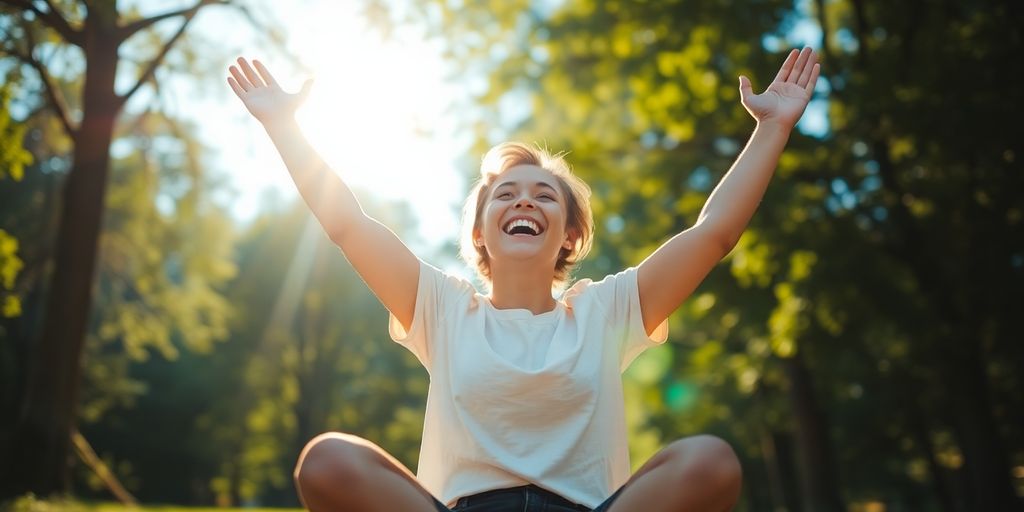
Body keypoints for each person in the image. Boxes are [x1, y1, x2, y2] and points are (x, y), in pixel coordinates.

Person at [228, 46, 820, 512]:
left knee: (710, 460)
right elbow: (347, 225)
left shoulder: (607, 311)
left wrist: (772, 128)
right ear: (481, 231)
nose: (524, 201)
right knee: (328, 460)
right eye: (506, 194)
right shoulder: (441, 307)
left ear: (569, 234)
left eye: (545, 195)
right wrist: (283, 126)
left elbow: (714, 234)